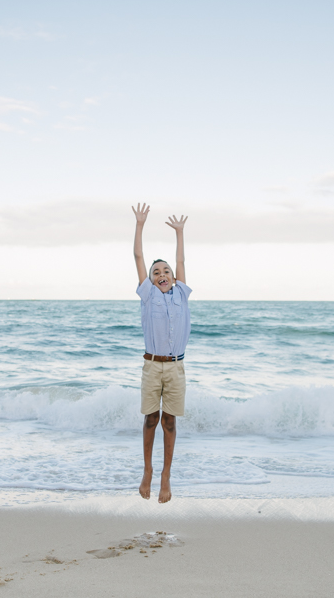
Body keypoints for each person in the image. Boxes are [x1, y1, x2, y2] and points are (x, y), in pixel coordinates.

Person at [131, 203, 191, 504]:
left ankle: (166, 475)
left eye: (166, 271)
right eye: (157, 272)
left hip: (176, 367)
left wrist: (179, 232)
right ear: (152, 280)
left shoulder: (181, 293)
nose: (162, 274)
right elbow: (138, 257)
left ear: (174, 277)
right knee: (151, 419)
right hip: (152, 366)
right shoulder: (148, 295)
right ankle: (148, 470)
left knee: (169, 422)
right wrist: (140, 224)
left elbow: (180, 259)